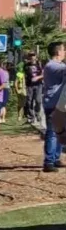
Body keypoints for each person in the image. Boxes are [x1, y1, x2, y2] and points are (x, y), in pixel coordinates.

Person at [42, 42, 66, 173]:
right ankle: (48, 162)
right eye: (64, 50)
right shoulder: (51, 66)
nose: (65, 52)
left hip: (61, 104)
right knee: (51, 133)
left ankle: (56, 158)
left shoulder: (61, 65)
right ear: (58, 52)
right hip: (52, 104)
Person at [23, 52, 43, 124]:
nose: (32, 57)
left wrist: (38, 77)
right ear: (28, 57)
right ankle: (32, 116)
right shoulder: (26, 65)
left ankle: (37, 113)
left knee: (38, 100)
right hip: (29, 85)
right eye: (30, 56)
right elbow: (23, 75)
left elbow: (44, 74)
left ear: (35, 57)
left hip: (38, 84)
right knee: (29, 101)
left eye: (33, 56)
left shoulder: (40, 64)